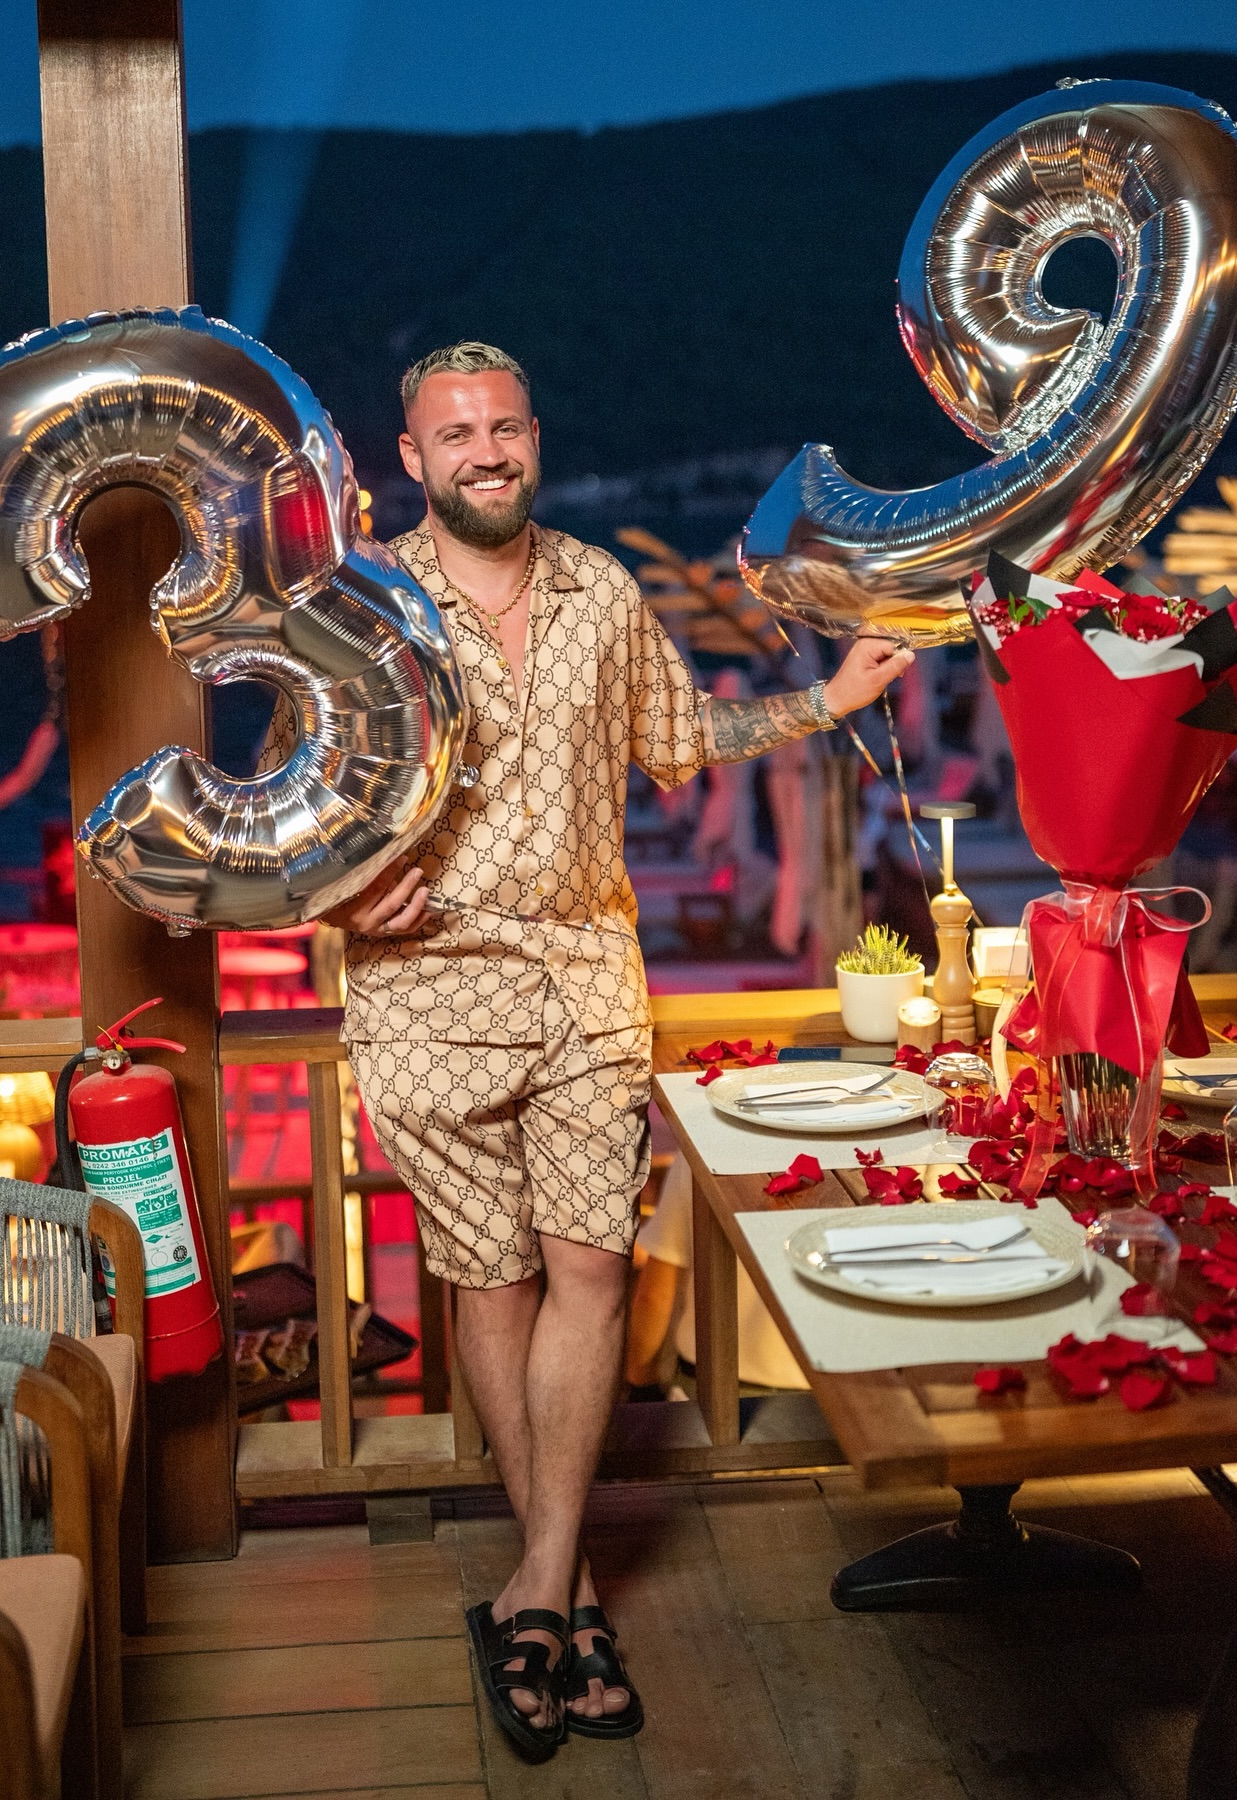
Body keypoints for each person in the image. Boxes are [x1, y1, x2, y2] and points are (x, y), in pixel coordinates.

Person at [298, 341, 912, 1759]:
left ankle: (538, 1586)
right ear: (413, 457)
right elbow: (302, 807)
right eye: (457, 435)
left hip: (588, 982)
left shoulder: (604, 589)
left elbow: (679, 737)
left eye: (505, 427)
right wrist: (338, 897)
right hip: (425, 992)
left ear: (535, 436)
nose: (487, 452)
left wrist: (828, 702)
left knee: (592, 1269)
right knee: (495, 1281)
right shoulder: (361, 606)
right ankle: (564, 1596)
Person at [628, 1154, 810, 1395]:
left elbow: (654, 1296)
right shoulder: (855, 1170)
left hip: (708, 1385)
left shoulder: (702, 1154)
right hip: (825, 1394)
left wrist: (639, 1385)